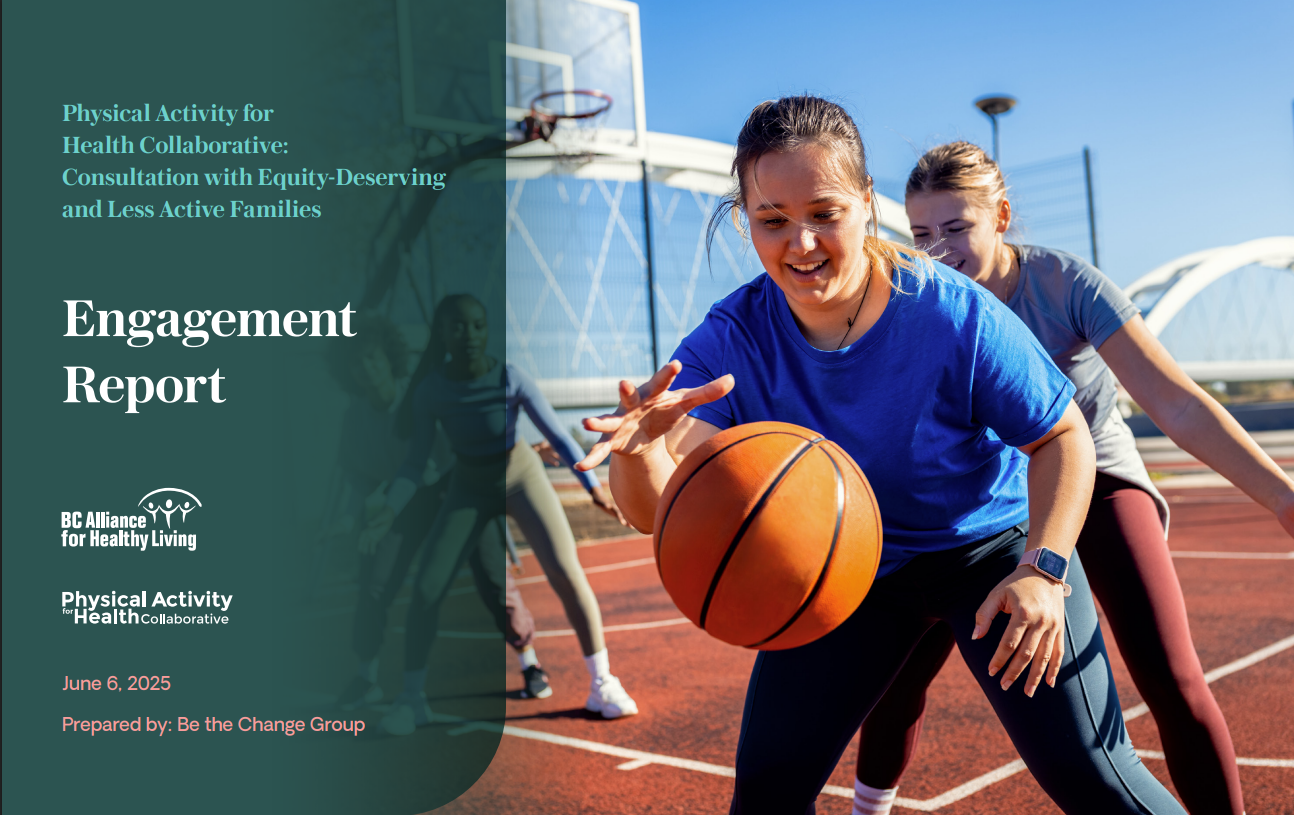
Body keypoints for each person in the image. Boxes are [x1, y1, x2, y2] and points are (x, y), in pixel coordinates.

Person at [579, 96, 1186, 815]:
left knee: (1096, 778)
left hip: (988, 550)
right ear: (746, 223)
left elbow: (1062, 437)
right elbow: (653, 509)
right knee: (765, 799)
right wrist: (642, 451)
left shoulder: (948, 312)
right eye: (772, 220)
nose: (800, 243)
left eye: (824, 213)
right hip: (845, 568)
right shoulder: (732, 336)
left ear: (866, 205)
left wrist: (1045, 568)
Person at [845, 141, 1294, 815]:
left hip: (1097, 473)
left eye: (957, 228)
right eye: (922, 233)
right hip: (983, 498)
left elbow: (1176, 401)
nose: (940, 250)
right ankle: (867, 808)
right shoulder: (916, 299)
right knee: (901, 675)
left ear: (1001, 216)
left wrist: (1283, 496)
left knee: (1169, 673)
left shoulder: (1063, 283)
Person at [361, 294, 639, 735]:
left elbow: (558, 438)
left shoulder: (511, 378)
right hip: (468, 487)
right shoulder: (432, 390)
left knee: (567, 575)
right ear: (444, 335)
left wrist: (592, 487)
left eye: (477, 325)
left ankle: (603, 683)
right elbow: (414, 463)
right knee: (428, 588)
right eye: (457, 327)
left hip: (521, 477)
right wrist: (388, 509)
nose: (468, 335)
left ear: (487, 330)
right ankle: (412, 700)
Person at [324, 314, 548, 709]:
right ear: (347, 371)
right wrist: (351, 521)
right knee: (374, 584)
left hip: (456, 495)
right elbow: (358, 482)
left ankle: (529, 662)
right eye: (357, 363)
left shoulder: (421, 397)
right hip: (401, 510)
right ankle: (367, 677)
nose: (366, 368)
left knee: (496, 585)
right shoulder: (352, 421)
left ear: (387, 357)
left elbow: (466, 456)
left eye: (372, 357)